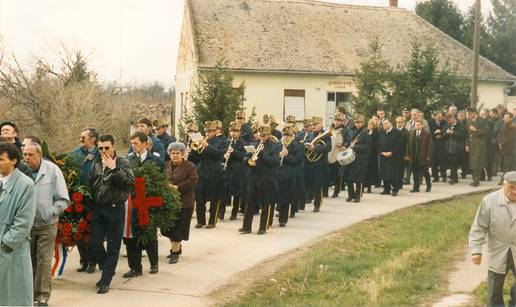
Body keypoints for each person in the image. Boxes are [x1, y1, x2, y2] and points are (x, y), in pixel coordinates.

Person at [23, 142, 70, 305]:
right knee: (28, 261)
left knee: (43, 261)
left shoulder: (52, 170)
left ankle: (42, 296)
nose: (27, 158)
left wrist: (49, 212)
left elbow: (63, 199)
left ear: (40, 155)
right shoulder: (21, 171)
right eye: (25, 155)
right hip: (26, 226)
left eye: (31, 155)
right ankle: (28, 294)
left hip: (47, 225)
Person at [89, 134, 134, 294]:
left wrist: (114, 168)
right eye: (100, 148)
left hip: (115, 208)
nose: (103, 151)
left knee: (113, 246)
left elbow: (129, 184)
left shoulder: (122, 162)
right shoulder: (95, 163)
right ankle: (108, 268)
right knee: (95, 244)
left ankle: (105, 280)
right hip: (98, 208)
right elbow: (92, 183)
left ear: (113, 147)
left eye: (106, 147)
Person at [469, 171, 516, 307]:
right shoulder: (489, 201)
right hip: (498, 251)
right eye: (511, 187)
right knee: (494, 291)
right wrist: (476, 250)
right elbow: (479, 227)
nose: (515, 192)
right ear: (503, 185)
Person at [122, 132, 163, 278]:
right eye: (132, 143)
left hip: (148, 202)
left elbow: (160, 181)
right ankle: (135, 267)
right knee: (131, 235)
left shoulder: (156, 160)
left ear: (146, 144)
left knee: (149, 233)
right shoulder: (128, 159)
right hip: (132, 202)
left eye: (136, 143)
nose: (133, 146)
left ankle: (154, 263)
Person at [0, 143, 36, 306]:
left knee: (13, 295)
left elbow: (23, 223)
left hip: (11, 250)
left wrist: (5, 244)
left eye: (1, 159)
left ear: (14, 161)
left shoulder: (25, 185)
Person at [239, 125, 280, 235]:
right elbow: (245, 158)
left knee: (265, 204)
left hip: (266, 178)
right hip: (253, 177)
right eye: (259, 135)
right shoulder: (254, 144)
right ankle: (246, 227)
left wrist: (262, 154)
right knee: (250, 203)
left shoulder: (275, 146)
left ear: (268, 135)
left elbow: (274, 161)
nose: (261, 137)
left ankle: (263, 227)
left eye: (263, 135)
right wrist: (248, 160)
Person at [70, 128, 100, 273]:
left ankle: (93, 261)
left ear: (93, 139)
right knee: (79, 230)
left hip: (94, 198)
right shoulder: (75, 152)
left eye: (84, 137)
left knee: (93, 232)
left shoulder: (100, 153)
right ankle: (84, 260)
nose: (80, 139)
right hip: (78, 198)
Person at [162, 142, 198, 264]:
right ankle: (176, 247)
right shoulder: (166, 165)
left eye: (178, 153)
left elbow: (192, 181)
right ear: (169, 154)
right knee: (166, 229)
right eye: (173, 153)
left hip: (184, 202)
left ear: (183, 154)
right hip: (169, 202)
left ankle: (175, 252)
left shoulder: (190, 166)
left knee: (178, 228)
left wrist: (176, 188)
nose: (175, 155)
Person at [191, 121, 228, 229]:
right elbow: (195, 157)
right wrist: (194, 147)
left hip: (214, 172)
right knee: (199, 197)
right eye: (206, 131)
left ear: (216, 131)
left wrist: (207, 145)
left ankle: (212, 221)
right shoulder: (202, 141)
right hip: (202, 171)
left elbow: (219, 155)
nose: (208, 133)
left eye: (211, 131)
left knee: (214, 198)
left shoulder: (222, 142)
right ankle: (200, 221)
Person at [305, 116, 332, 212]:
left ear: (321, 124)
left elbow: (328, 147)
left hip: (320, 164)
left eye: (315, 124)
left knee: (318, 185)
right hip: (310, 163)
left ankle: (317, 204)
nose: (313, 126)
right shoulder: (310, 135)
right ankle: (308, 199)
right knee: (310, 183)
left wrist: (315, 148)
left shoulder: (326, 135)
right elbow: (306, 144)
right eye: (313, 125)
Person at [277, 126, 303, 226]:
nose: (286, 137)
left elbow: (298, 160)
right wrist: (278, 155)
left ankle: (283, 220)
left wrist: (287, 155)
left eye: (288, 135)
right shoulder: (278, 145)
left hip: (289, 174)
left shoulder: (297, 146)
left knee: (286, 198)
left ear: (292, 136)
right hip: (278, 173)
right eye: (284, 135)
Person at [341, 115, 370, 203]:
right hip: (350, 157)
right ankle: (350, 195)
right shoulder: (351, 131)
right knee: (349, 177)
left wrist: (355, 147)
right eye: (356, 122)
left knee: (358, 179)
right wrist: (344, 146)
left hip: (360, 158)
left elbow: (367, 147)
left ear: (363, 123)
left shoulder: (365, 133)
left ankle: (357, 196)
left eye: (360, 122)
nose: (358, 124)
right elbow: (347, 141)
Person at [221, 121, 246, 220]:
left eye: (236, 131)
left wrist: (233, 151)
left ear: (239, 132)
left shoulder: (243, 143)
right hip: (227, 170)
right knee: (223, 191)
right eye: (231, 131)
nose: (233, 133)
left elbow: (244, 156)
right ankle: (221, 212)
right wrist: (224, 156)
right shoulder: (226, 142)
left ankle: (234, 212)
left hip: (238, 171)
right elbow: (221, 156)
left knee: (236, 193)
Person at [406, 120, 433, 193]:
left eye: (418, 125)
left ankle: (428, 185)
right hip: (414, 156)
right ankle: (416, 187)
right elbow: (408, 144)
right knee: (415, 173)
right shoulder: (412, 133)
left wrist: (428, 156)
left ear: (422, 125)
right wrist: (408, 154)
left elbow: (429, 146)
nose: (417, 126)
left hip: (423, 156)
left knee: (425, 172)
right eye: (416, 125)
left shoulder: (426, 134)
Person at [378, 118, 403, 196]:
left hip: (393, 157)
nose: (384, 125)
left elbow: (399, 145)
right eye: (383, 124)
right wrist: (381, 152)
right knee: (384, 173)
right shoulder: (381, 132)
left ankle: (395, 189)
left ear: (390, 124)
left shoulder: (397, 133)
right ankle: (386, 189)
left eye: (385, 124)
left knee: (393, 174)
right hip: (383, 156)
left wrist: (392, 152)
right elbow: (378, 143)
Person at [466, 108, 489, 187]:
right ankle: (474, 179)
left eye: (470, 113)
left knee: (477, 162)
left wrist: (476, 130)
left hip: (479, 144)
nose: (469, 115)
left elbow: (486, 132)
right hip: (472, 144)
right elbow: (467, 135)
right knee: (472, 163)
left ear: (474, 113)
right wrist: (467, 145)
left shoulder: (482, 121)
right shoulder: (468, 122)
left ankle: (476, 180)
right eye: (468, 113)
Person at [443, 114, 466, 184]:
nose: (449, 122)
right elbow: (443, 134)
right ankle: (455, 178)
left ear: (453, 118)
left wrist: (453, 133)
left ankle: (452, 179)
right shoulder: (447, 124)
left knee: (454, 163)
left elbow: (463, 135)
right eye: (447, 121)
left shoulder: (460, 124)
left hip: (457, 147)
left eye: (450, 120)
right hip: (448, 147)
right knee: (451, 163)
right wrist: (446, 133)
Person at [328, 113, 346, 198]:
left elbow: (348, 140)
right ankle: (325, 191)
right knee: (327, 173)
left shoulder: (345, 130)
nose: (337, 122)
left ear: (342, 122)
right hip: (329, 153)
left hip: (339, 154)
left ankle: (336, 191)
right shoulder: (330, 129)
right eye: (336, 120)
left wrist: (343, 146)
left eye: (339, 120)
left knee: (337, 174)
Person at [498, 113, 516, 184]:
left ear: (511, 118)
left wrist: (501, 144)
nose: (505, 119)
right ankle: (508, 180)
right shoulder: (504, 126)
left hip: (510, 149)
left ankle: (504, 180)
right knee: (507, 166)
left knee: (507, 166)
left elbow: (509, 138)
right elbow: (500, 135)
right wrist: (499, 142)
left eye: (507, 117)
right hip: (504, 149)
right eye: (504, 117)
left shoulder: (513, 127)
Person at [429, 111, 446, 182]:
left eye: (441, 116)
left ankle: (443, 176)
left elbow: (446, 130)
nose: (439, 118)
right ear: (435, 116)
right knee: (434, 160)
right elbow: (429, 131)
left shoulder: (444, 122)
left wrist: (441, 134)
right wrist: (434, 133)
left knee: (442, 160)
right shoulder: (431, 122)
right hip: (434, 143)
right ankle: (435, 177)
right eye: (438, 117)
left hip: (442, 142)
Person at [365, 119, 380, 193]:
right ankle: (365, 185)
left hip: (372, 154)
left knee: (371, 171)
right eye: (368, 124)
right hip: (366, 154)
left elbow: (377, 144)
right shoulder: (365, 132)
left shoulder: (376, 133)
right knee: (365, 170)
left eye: (371, 124)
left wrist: (370, 148)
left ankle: (369, 187)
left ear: (374, 126)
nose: (369, 125)